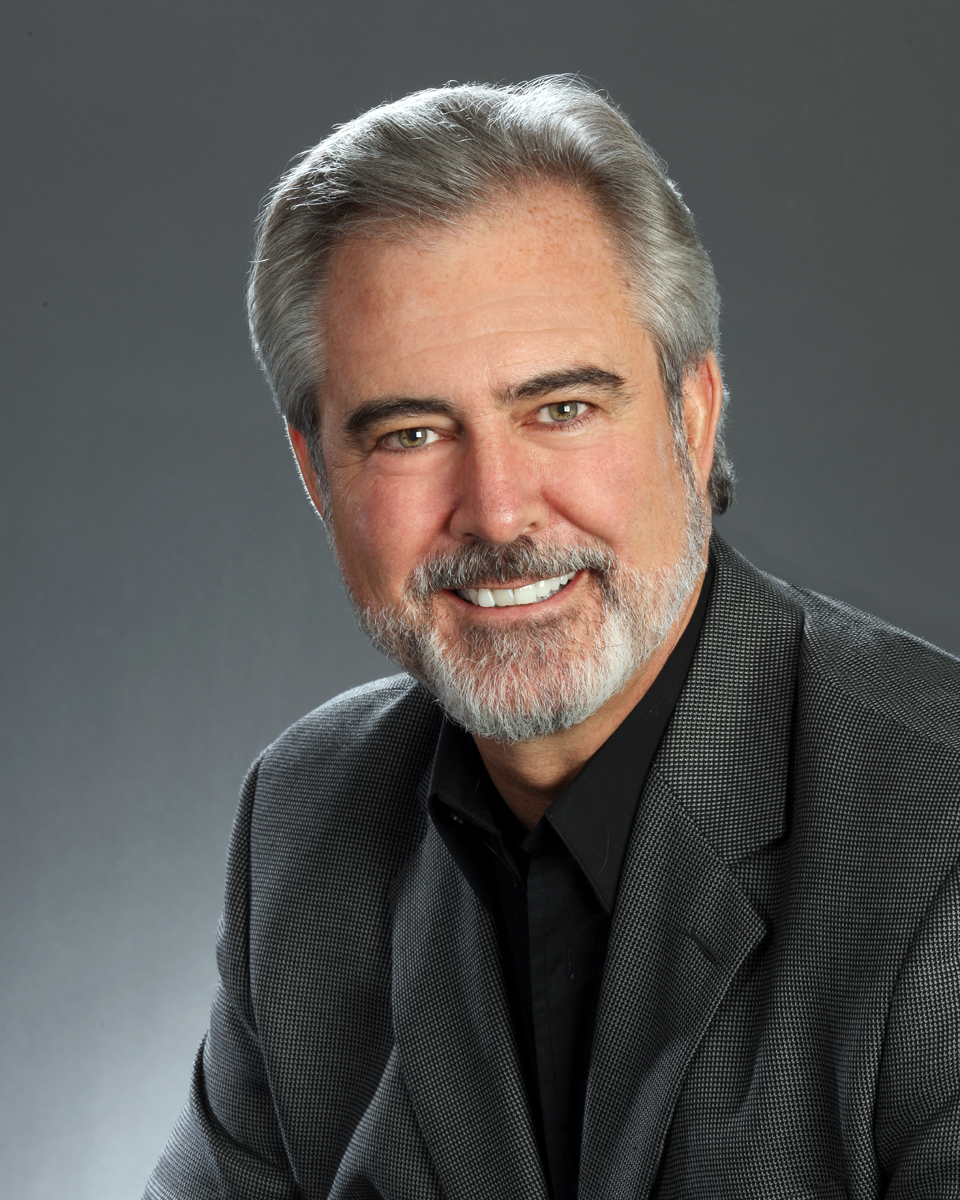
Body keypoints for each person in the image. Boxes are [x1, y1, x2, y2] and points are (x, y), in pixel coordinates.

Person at [145, 78, 960, 1200]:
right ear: (313, 472)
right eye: (412, 431)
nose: (498, 511)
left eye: (561, 409)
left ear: (695, 413)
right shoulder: (304, 823)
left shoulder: (939, 839)